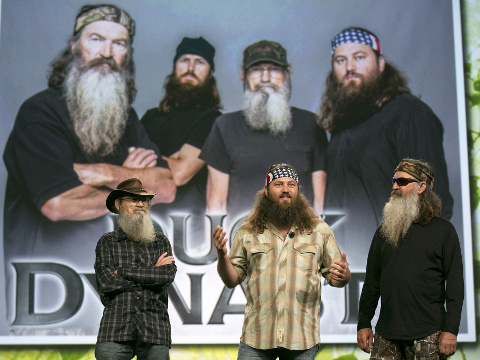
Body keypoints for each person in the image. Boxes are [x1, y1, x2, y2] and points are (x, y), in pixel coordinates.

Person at [2, 4, 175, 332]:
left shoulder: (126, 119)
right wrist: (133, 182)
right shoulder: (39, 113)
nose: (107, 53)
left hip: (111, 298)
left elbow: (167, 186)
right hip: (44, 301)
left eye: (119, 44)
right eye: (96, 39)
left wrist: (104, 173)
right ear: (74, 45)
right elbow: (59, 204)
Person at [317, 27, 453, 269]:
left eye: (360, 57)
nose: (350, 67)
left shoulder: (409, 114)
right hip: (349, 272)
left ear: (381, 63)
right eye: (341, 60)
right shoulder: (341, 128)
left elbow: (433, 202)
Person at [213, 164, 350, 359]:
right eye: (278, 184)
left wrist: (344, 276)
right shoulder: (247, 231)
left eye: (291, 184)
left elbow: (337, 278)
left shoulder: (320, 230)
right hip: (257, 337)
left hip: (302, 338)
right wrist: (221, 255)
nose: (286, 189)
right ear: (267, 192)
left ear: (298, 191)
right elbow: (231, 279)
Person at [201, 40, 328, 225]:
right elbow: (215, 204)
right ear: (243, 75)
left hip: (300, 247)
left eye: (274, 69)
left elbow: (320, 202)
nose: (265, 78)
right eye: (256, 70)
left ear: (288, 74)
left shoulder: (311, 124)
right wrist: (220, 252)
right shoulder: (224, 126)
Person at [357, 159, 464, 360]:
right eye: (394, 181)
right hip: (386, 333)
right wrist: (363, 322)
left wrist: (451, 330)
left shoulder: (444, 231)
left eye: (402, 182)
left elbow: (455, 286)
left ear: (421, 186)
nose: (394, 186)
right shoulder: (384, 232)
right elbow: (372, 282)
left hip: (429, 333)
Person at [141, 36, 222, 253]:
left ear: (210, 72)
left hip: (189, 230)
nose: (191, 68)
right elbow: (124, 167)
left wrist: (145, 158)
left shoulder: (214, 120)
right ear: (175, 67)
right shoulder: (150, 118)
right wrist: (172, 159)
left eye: (200, 62)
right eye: (185, 60)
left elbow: (180, 173)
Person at [95, 178, 176, 360]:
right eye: (133, 199)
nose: (140, 203)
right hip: (115, 329)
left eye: (144, 200)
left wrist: (123, 272)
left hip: (155, 330)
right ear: (118, 205)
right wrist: (151, 273)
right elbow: (106, 282)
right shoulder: (107, 242)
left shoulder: (160, 240)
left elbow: (166, 275)